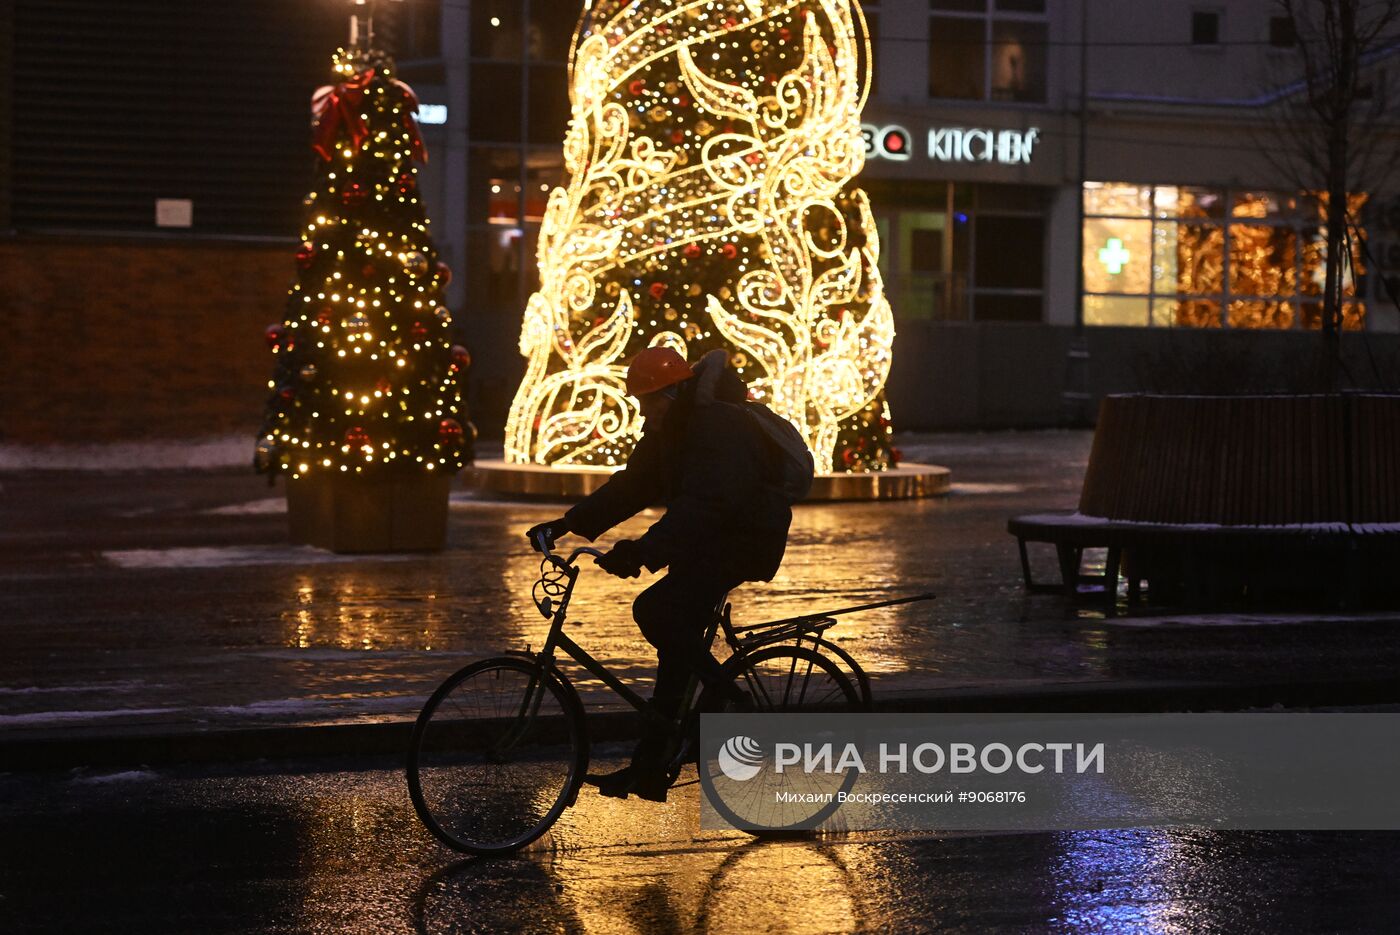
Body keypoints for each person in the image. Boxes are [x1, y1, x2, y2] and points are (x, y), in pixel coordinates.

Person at [526, 346, 793, 802]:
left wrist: (642, 552)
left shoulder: (718, 427)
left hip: (743, 539)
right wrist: (568, 523)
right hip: (707, 540)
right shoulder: (671, 428)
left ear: (673, 393)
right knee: (676, 652)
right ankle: (649, 771)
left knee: (655, 608)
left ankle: (726, 695)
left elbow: (705, 505)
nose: (643, 412)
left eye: (648, 401)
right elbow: (633, 484)